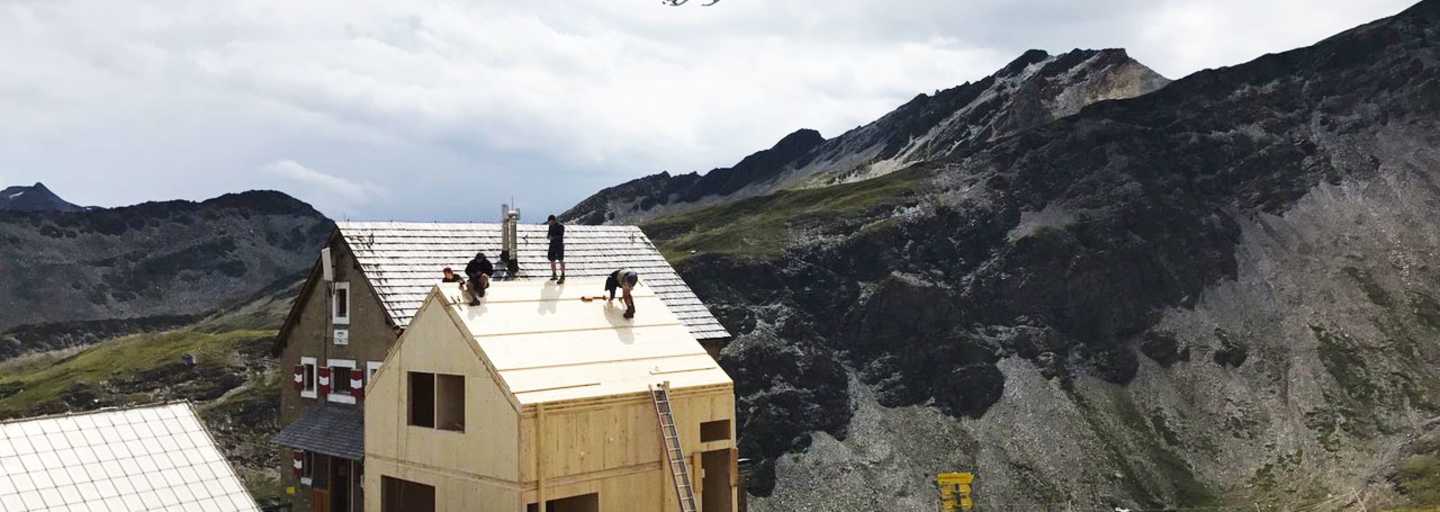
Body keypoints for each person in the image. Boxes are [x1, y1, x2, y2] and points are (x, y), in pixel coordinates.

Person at [547, 215, 566, 283]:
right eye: (549, 222)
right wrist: (549, 237)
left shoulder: (560, 226)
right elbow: (548, 235)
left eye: (551, 221)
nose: (550, 223)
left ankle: (563, 275)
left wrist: (553, 237)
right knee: (552, 259)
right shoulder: (550, 226)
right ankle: (554, 274)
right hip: (552, 245)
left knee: (560, 260)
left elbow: (560, 236)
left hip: (559, 245)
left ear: (554, 220)